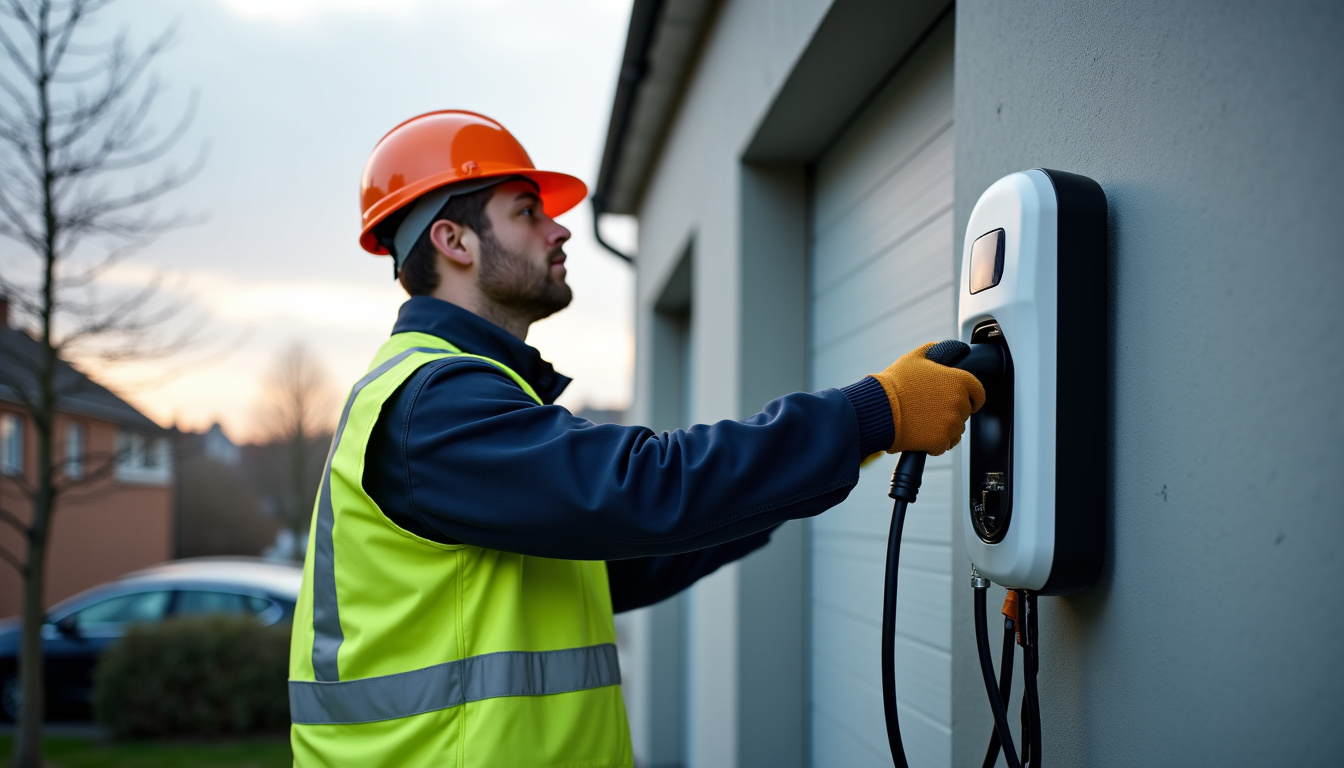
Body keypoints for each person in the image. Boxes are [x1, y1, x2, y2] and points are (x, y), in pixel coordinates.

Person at [287, 110, 984, 767]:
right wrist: (872, 413)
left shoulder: (460, 398)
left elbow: (619, 559)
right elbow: (645, 490)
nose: (558, 231)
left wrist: (838, 451)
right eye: (527, 212)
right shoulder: (434, 405)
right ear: (453, 241)